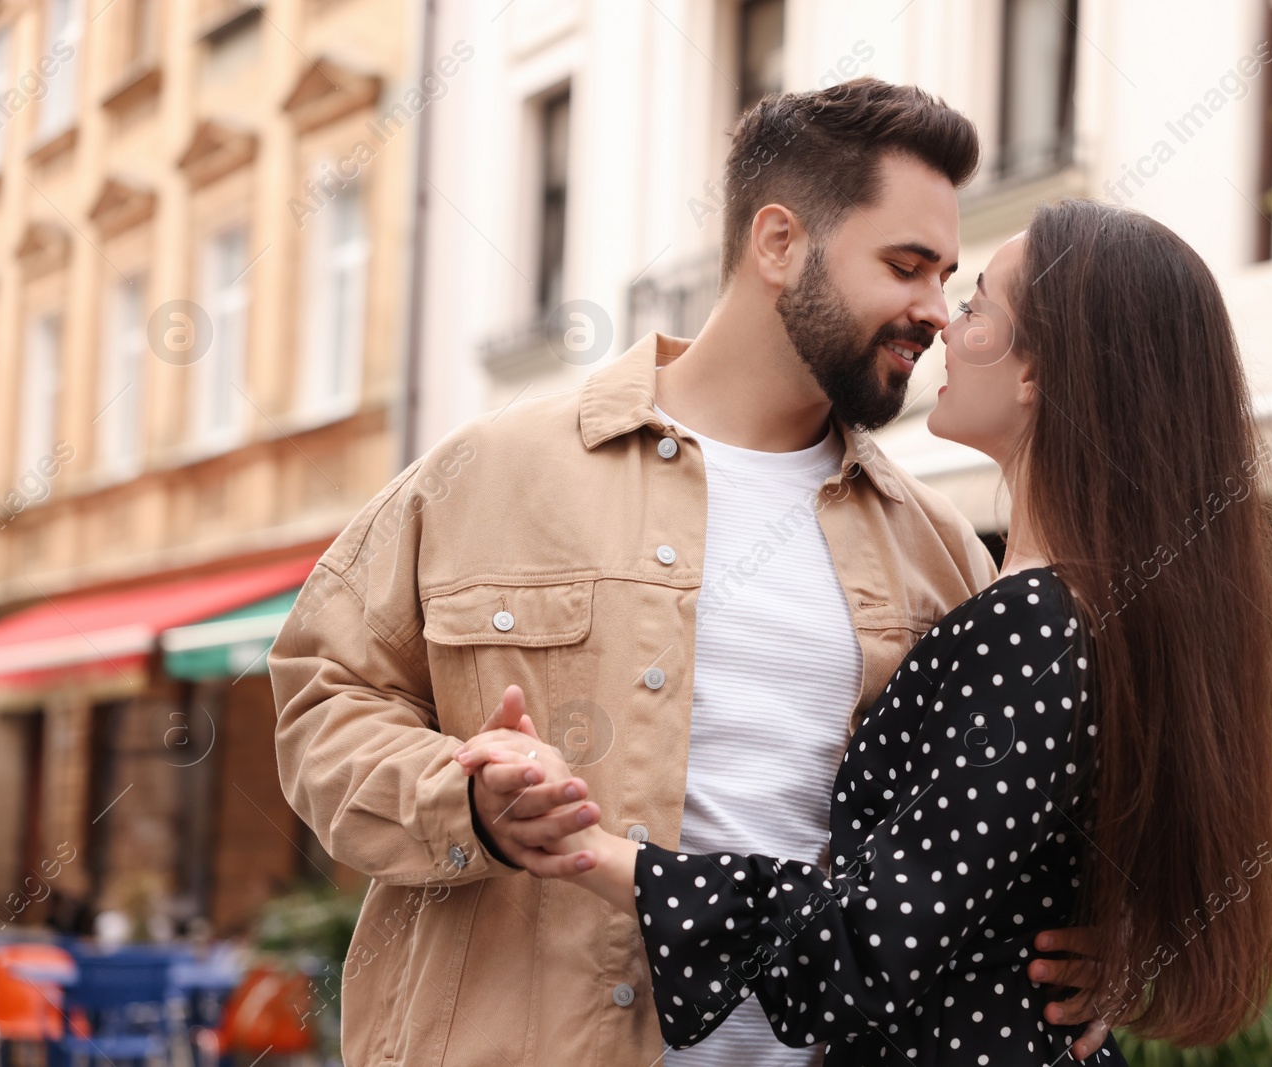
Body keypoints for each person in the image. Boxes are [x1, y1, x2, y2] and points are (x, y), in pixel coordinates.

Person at [270, 78, 1107, 1066]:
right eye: (905, 266)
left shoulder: (939, 548)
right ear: (779, 243)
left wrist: (1098, 932)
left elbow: (1000, 819)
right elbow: (322, 701)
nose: (935, 312)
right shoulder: (487, 471)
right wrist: (465, 800)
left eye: (948, 275)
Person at [458, 198, 1272, 1064]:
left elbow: (860, 950)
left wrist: (590, 849)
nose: (941, 322)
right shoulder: (1078, 608)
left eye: (973, 305)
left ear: (1038, 372)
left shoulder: (1030, 625)